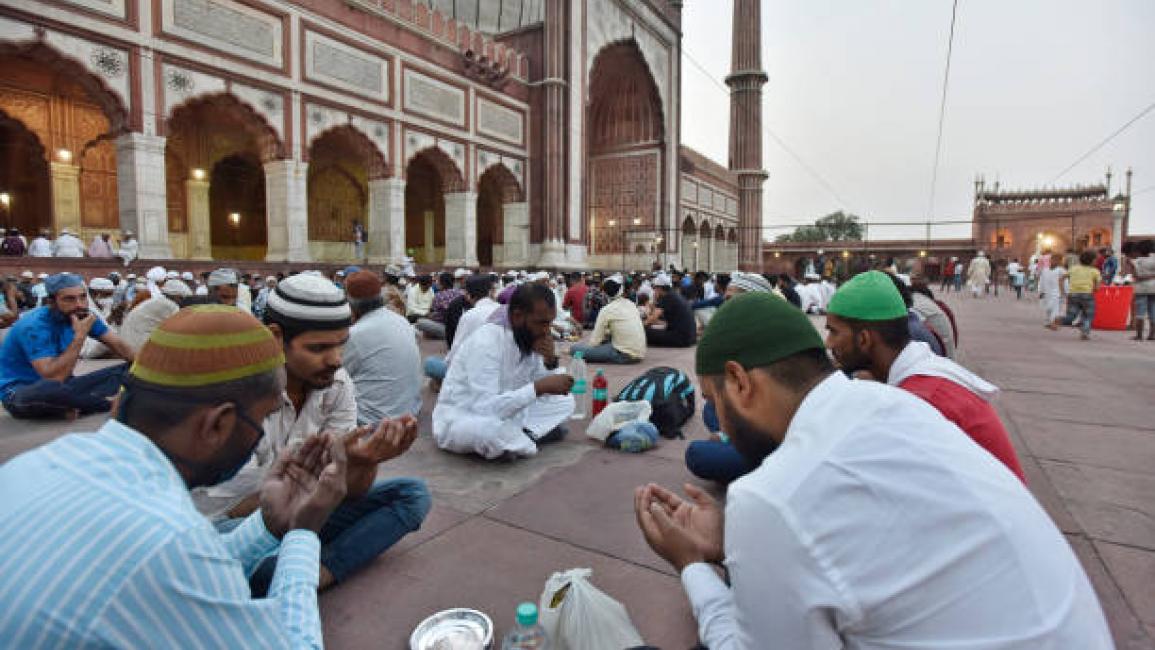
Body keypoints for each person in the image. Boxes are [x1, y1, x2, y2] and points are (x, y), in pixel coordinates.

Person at [634, 292, 1111, 650]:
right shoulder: (894, 404)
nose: (716, 413)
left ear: (738, 381)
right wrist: (735, 547)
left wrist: (693, 566)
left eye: (713, 398)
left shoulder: (773, 495)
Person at [0, 305, 356, 647]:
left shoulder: (38, 463)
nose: (260, 439)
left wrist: (268, 524)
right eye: (260, 421)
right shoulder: (170, 535)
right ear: (218, 424)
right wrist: (303, 532)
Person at [192, 275, 431, 595]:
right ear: (276, 338)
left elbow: (351, 491)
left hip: (301, 510)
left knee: (412, 495)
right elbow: (234, 508)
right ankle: (290, 569)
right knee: (236, 562)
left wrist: (364, 461)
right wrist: (315, 488)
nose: (335, 359)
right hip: (228, 529)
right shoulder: (236, 395)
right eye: (318, 347)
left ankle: (321, 572)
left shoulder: (337, 382)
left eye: (340, 344)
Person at [825, 271, 1025, 481]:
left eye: (834, 332)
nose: (828, 343)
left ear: (864, 339)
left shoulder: (922, 401)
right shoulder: (922, 369)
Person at [432, 283, 575, 460]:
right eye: (542, 323)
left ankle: (517, 438)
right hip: (466, 416)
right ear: (517, 316)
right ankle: (522, 438)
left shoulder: (529, 334)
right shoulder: (487, 341)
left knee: (565, 402)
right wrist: (538, 388)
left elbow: (539, 383)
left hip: (508, 410)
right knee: (489, 432)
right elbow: (485, 409)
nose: (547, 331)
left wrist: (550, 361)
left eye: (549, 323)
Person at [0, 273, 135, 419]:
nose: (79, 304)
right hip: (22, 392)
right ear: (51, 302)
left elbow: (122, 348)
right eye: (69, 299)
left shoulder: (83, 315)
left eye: (83, 297)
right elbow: (54, 377)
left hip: (66, 387)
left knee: (131, 370)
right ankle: (106, 404)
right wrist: (80, 336)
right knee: (50, 390)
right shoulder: (34, 326)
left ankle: (75, 406)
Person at [343, 271, 423, 425]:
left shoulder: (356, 334)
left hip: (371, 420)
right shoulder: (402, 321)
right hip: (410, 411)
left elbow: (337, 376)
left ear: (350, 304)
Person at [424, 275, 499, 385]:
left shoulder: (470, 316)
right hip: (500, 369)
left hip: (476, 371)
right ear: (490, 292)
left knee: (430, 364)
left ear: (468, 295)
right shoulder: (503, 310)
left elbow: (456, 349)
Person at [570, 275, 645, 364]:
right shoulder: (631, 305)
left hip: (623, 355)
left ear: (605, 293)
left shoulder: (607, 309)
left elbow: (594, 342)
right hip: (640, 353)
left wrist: (587, 348)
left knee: (574, 349)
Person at [118, 279, 187, 352]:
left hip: (127, 343)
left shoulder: (155, 300)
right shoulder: (171, 305)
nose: (181, 301)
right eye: (181, 298)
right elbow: (180, 329)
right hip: (139, 347)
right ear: (176, 296)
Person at [644, 272, 697, 348]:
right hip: (690, 338)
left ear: (659, 288)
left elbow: (652, 319)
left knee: (645, 332)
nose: (654, 291)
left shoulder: (667, 297)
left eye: (655, 288)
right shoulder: (674, 295)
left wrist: (640, 326)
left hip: (681, 339)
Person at [1062, 250, 1101, 340]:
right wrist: (1095, 289)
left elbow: (1062, 277)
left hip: (1073, 294)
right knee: (1088, 315)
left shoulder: (1073, 268)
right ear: (1092, 261)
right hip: (1087, 295)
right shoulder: (1095, 271)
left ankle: (1059, 319)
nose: (1096, 262)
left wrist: (1063, 290)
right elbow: (1097, 286)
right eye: (1095, 260)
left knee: (1072, 314)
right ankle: (1085, 332)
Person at [415, 272, 461, 340]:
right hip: (460, 328)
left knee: (419, 322)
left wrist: (428, 315)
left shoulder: (438, 296)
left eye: (438, 281)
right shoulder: (460, 293)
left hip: (447, 330)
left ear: (442, 283)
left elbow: (434, 314)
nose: (436, 282)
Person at [1132, 239, 1155, 341]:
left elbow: (1135, 276)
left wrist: (1143, 277)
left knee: (1140, 312)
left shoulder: (1136, 261)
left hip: (1140, 289)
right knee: (1153, 311)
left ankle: (1139, 335)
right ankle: (1152, 335)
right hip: (1154, 288)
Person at [1039, 253, 1067, 330]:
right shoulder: (1045, 270)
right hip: (1047, 292)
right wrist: (1041, 291)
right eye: (1053, 259)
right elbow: (1041, 281)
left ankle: (1053, 323)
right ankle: (1048, 322)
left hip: (1057, 293)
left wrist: (1065, 292)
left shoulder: (1062, 271)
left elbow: (1065, 282)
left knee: (1055, 308)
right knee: (1048, 308)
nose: (1054, 261)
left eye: (1057, 260)